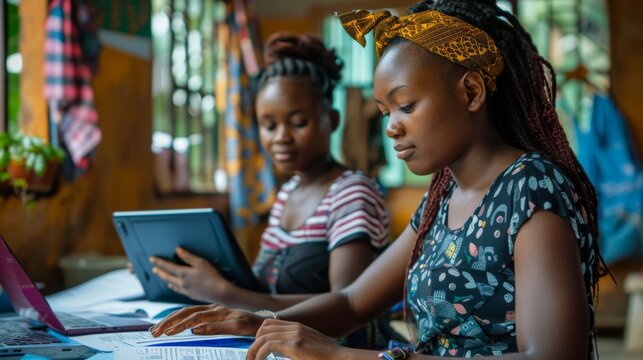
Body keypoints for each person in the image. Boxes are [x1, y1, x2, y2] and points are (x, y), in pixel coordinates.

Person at [150, 1, 608, 359]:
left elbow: (551, 356)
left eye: (406, 106)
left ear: (471, 91)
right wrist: (257, 320)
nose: (391, 127)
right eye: (386, 112)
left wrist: (342, 356)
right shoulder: (443, 196)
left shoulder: (531, 190)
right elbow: (352, 302)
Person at [149, 31, 395, 348]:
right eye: (269, 125)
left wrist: (224, 293)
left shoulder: (352, 193)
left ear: (330, 120)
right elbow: (265, 290)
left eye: (297, 122)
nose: (281, 137)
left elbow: (346, 305)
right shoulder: (288, 192)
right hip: (279, 346)